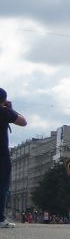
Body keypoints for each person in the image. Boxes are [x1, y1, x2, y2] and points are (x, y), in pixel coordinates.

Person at [0, 88, 25, 227]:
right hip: (1, 154)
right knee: (2, 185)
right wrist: (10, 109)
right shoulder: (4, 111)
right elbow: (23, 122)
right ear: (4, 99)